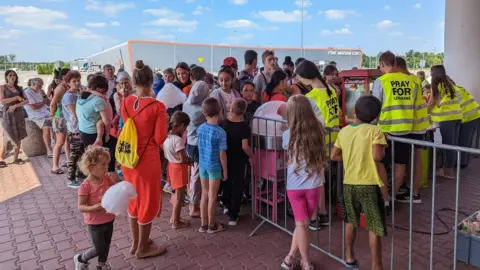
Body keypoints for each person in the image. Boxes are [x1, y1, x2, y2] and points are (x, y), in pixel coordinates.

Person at [331, 95, 387, 270]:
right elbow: (377, 156)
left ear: (354, 110)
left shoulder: (344, 131)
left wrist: (349, 158)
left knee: (350, 221)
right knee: (374, 226)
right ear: (376, 117)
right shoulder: (375, 131)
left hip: (349, 183)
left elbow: (333, 155)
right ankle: (376, 265)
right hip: (369, 184)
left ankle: (349, 256)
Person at [122, 60, 168, 258]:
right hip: (147, 160)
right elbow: (159, 138)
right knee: (147, 201)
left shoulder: (126, 102)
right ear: (152, 81)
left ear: (134, 81)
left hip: (128, 159)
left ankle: (136, 243)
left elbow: (128, 127)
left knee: (133, 199)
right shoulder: (158, 107)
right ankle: (143, 248)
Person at [372, 51, 429, 204]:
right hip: (407, 128)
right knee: (400, 165)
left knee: (380, 164)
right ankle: (393, 197)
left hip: (385, 131)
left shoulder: (381, 81)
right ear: (396, 64)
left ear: (382, 64)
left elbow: (374, 106)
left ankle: (383, 198)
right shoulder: (413, 81)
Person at [280, 95, 326, 270]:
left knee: (302, 224)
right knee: (303, 224)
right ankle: (290, 257)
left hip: (294, 186)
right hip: (314, 186)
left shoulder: (287, 135)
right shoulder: (319, 130)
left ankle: (305, 262)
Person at [294, 60, 337, 230]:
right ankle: (323, 213)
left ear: (305, 77)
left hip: (318, 142)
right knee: (320, 179)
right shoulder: (331, 90)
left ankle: (314, 217)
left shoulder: (311, 97)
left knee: (314, 180)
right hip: (332, 140)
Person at [74, 146, 120, 270]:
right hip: (95, 223)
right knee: (99, 247)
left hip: (109, 218)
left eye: (107, 164)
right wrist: (93, 207)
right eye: (103, 165)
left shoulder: (106, 178)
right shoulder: (85, 186)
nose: (106, 168)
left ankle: (101, 265)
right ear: (91, 167)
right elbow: (81, 206)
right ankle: (81, 258)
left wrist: (116, 180)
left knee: (107, 244)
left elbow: (117, 189)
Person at [394, 57, 429, 203]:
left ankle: (414, 193)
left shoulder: (407, 80)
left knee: (412, 160)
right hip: (419, 124)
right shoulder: (415, 79)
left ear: (397, 66)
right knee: (414, 159)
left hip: (413, 125)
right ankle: (412, 190)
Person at [197, 97, 228, 234]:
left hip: (202, 165)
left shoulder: (200, 128)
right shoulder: (220, 132)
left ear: (204, 113)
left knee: (204, 194)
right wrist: (225, 170)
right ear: (220, 111)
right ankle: (212, 225)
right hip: (214, 167)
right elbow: (222, 155)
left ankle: (203, 224)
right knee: (213, 196)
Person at [221, 98, 253, 226]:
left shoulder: (224, 124)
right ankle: (233, 215)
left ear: (231, 109)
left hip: (225, 157)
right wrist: (252, 155)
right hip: (239, 160)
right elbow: (245, 146)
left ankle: (226, 205)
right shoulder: (244, 127)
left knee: (226, 181)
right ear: (244, 111)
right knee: (237, 185)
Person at [429, 65, 463, 178]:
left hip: (447, 119)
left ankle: (448, 172)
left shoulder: (437, 86)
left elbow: (432, 102)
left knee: (448, 145)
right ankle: (451, 169)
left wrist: (423, 112)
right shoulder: (451, 85)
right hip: (458, 117)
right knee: (453, 144)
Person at [183, 81, 210, 217]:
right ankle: (194, 206)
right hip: (198, 144)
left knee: (194, 173)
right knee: (197, 176)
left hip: (190, 142)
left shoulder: (186, 103)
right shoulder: (202, 110)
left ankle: (193, 203)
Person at [163, 112, 191, 229]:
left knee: (175, 195)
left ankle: (175, 217)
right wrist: (190, 160)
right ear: (182, 125)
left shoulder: (166, 137)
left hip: (171, 167)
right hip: (179, 169)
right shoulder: (178, 140)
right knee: (180, 197)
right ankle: (176, 221)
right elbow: (182, 158)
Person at [61, 71, 86, 189]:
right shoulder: (69, 96)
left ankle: (79, 175)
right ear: (68, 83)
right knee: (74, 154)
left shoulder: (78, 93)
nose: (77, 83)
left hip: (80, 127)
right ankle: (70, 178)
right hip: (75, 128)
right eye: (74, 81)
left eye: (78, 80)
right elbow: (75, 114)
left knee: (81, 152)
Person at [0, 70, 28, 167]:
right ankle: (1, 158)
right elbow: (3, 101)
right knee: (7, 136)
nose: (12, 77)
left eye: (14, 75)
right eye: (10, 75)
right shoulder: (2, 87)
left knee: (18, 135)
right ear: (6, 77)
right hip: (7, 114)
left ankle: (15, 158)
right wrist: (15, 97)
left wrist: (16, 105)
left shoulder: (20, 88)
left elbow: (27, 100)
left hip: (18, 114)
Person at [23, 77, 53, 157]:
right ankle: (49, 150)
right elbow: (33, 107)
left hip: (46, 112)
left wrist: (44, 96)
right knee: (47, 127)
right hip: (36, 116)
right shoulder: (27, 93)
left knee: (58, 124)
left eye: (42, 86)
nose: (41, 87)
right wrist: (43, 102)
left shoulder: (39, 91)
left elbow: (48, 103)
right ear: (33, 84)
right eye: (39, 86)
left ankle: (57, 147)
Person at [50, 68, 72, 175]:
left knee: (67, 142)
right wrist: (53, 115)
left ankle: (69, 161)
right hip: (61, 117)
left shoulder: (67, 86)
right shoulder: (60, 88)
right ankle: (55, 166)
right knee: (60, 142)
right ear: (64, 77)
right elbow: (53, 104)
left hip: (66, 116)